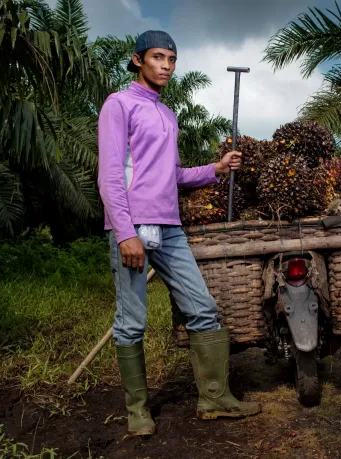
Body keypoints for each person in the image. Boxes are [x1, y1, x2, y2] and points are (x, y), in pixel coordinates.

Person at [97, 30, 261, 437]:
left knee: (202, 308)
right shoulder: (119, 105)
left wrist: (215, 169)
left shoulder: (167, 115)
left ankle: (214, 399)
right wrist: (124, 233)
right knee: (132, 320)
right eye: (158, 57)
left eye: (171, 59)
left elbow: (170, 175)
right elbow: (110, 176)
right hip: (133, 225)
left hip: (169, 228)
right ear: (138, 61)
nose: (166, 65)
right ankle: (138, 411)